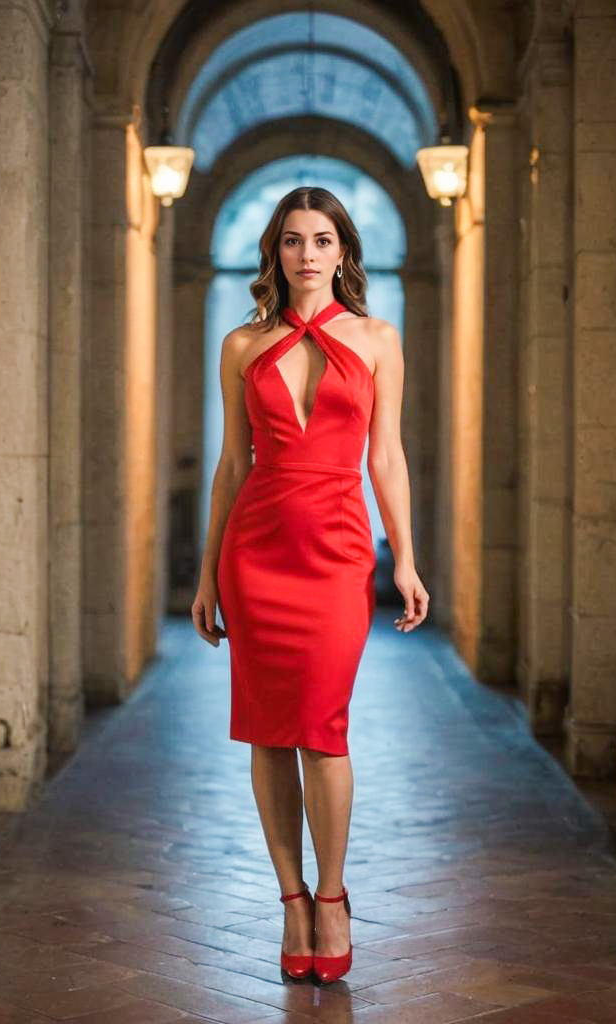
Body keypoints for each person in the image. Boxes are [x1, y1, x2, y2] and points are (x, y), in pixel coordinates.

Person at [192, 186, 428, 984]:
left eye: (321, 239)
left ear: (343, 251)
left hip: (336, 551)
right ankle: (290, 899)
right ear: (276, 252)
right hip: (255, 554)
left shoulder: (378, 339)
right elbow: (232, 467)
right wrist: (205, 574)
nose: (306, 255)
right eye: (291, 241)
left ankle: (332, 898)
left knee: (322, 728)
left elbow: (385, 457)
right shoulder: (240, 345)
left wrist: (405, 558)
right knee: (267, 730)